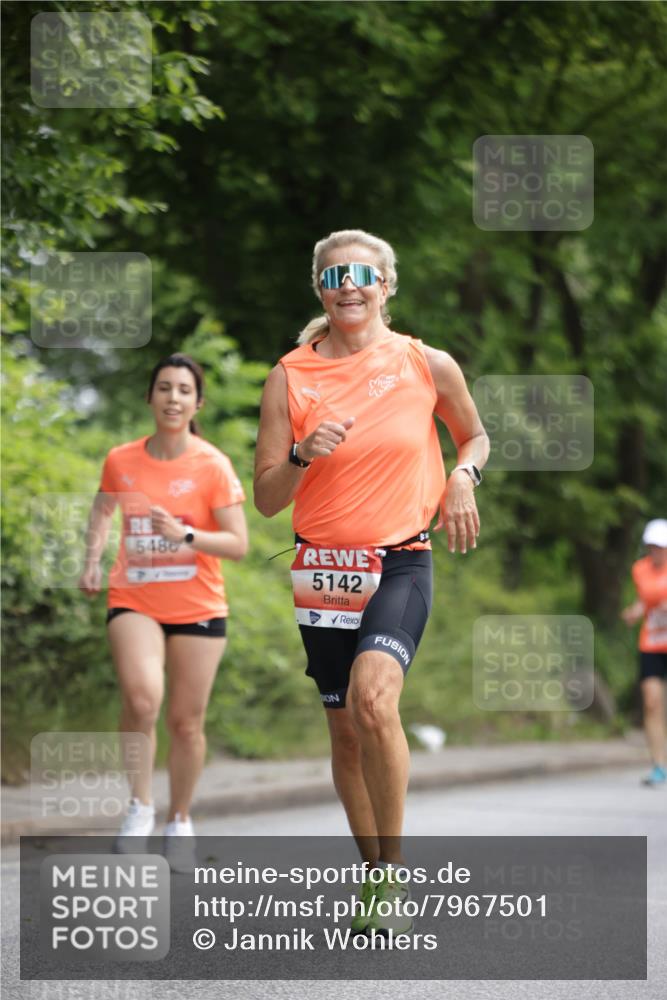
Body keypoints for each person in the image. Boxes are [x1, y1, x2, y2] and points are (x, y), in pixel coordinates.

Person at [254, 229, 489, 934]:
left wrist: (460, 476)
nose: (346, 285)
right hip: (322, 569)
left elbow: (473, 436)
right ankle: (372, 876)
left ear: (385, 284)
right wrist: (300, 454)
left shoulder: (425, 362)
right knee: (345, 733)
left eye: (360, 273)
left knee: (373, 700)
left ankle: (392, 871)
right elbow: (266, 498)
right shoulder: (289, 375)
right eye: (333, 276)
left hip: (399, 559)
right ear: (319, 289)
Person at [79, 353, 248, 863]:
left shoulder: (212, 464)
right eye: (164, 388)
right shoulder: (122, 459)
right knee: (142, 698)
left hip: (198, 603)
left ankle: (179, 818)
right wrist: (91, 559)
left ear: (197, 402)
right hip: (134, 597)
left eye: (183, 390)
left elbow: (237, 543)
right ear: (150, 396)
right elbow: (102, 509)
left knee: (185, 722)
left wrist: (186, 534)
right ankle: (139, 807)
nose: (173, 398)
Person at [621, 518, 667, 787]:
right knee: (652, 703)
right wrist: (635, 612)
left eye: (660, 546)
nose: (655, 551)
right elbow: (644, 601)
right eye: (651, 546)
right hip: (651, 642)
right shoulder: (640, 570)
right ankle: (659, 765)